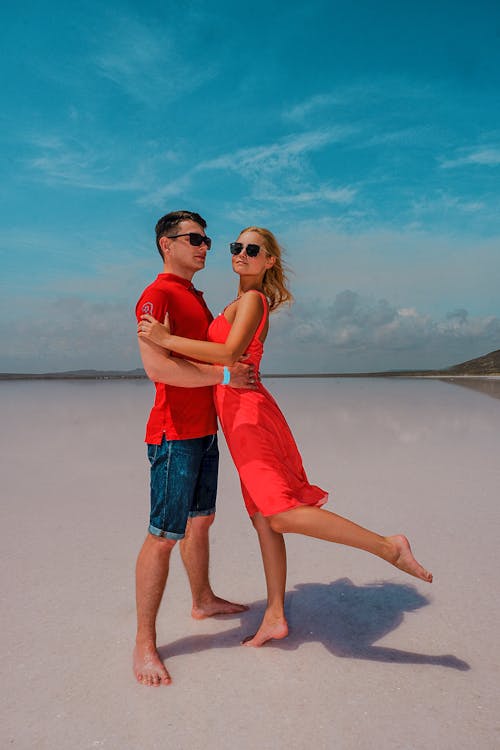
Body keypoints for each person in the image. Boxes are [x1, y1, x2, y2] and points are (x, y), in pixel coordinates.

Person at [138, 226, 433, 649]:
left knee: (278, 512)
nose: (241, 253)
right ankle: (275, 615)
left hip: (248, 416)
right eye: (236, 247)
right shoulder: (233, 303)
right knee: (263, 519)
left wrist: (166, 339)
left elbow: (226, 355)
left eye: (252, 249)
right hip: (235, 417)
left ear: (269, 260)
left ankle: (387, 545)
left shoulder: (254, 301)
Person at [134, 210, 255, 687]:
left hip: (205, 430)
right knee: (163, 535)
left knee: (201, 521)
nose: (205, 247)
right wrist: (224, 375)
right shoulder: (157, 294)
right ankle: (145, 641)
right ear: (168, 244)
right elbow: (157, 369)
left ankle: (202, 599)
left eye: (208, 240)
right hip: (173, 433)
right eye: (195, 239)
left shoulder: (195, 298)